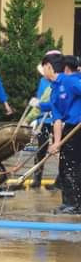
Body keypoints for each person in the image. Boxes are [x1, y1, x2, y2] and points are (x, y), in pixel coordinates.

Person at [45, 53, 81, 214]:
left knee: (73, 167)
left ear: (49, 67)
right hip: (69, 129)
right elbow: (57, 119)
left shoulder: (70, 80)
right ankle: (69, 202)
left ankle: (75, 204)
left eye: (43, 68)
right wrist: (56, 143)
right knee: (65, 166)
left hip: (78, 127)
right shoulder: (53, 89)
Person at [30, 51, 61, 189]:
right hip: (44, 121)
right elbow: (40, 99)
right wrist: (35, 117)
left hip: (59, 122)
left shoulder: (62, 82)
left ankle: (60, 181)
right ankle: (37, 178)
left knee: (60, 152)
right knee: (41, 149)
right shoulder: (43, 81)